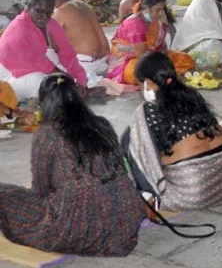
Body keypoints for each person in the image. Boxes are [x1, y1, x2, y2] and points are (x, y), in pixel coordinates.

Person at [0, 74, 145, 255]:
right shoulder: (101, 124)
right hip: (123, 220)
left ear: (45, 103)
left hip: (75, 229)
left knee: (6, 196)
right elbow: (119, 169)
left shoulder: (47, 134)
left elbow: (42, 190)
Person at [126, 52, 222, 211]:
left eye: (140, 84)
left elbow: (144, 153)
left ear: (149, 83)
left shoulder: (147, 110)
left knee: (131, 138)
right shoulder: (192, 94)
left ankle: (148, 195)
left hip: (191, 193)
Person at [0, 0, 89, 99]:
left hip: (28, 65)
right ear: (29, 7)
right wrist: (70, 82)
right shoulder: (21, 29)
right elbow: (45, 65)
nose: (44, 17)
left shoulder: (50, 23)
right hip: (7, 73)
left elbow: (67, 52)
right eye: (39, 11)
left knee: (52, 56)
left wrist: (81, 81)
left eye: (48, 13)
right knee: (45, 83)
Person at [108, 0, 195, 85]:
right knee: (134, 72)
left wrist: (164, 26)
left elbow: (163, 47)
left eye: (162, 10)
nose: (161, 13)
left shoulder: (153, 19)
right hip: (128, 62)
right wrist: (162, 63)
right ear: (146, 8)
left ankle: (164, 75)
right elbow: (142, 56)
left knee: (185, 59)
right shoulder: (134, 24)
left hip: (152, 56)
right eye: (157, 10)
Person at [45, 0, 110, 85]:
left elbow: (53, 47)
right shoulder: (82, 4)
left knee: (48, 56)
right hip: (104, 61)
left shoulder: (58, 14)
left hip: (86, 65)